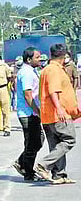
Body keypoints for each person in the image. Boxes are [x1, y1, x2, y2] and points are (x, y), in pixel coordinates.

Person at [35, 44, 78, 184]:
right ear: (63, 56)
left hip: (48, 115)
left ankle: (59, 175)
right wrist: (59, 108)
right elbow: (54, 90)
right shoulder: (54, 70)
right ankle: (44, 164)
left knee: (56, 145)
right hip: (58, 114)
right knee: (69, 139)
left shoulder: (48, 69)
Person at [12, 47, 45, 182]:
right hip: (28, 113)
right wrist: (37, 111)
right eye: (37, 57)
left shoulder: (31, 71)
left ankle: (21, 162)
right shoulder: (26, 73)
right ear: (29, 59)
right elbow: (27, 94)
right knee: (32, 143)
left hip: (31, 112)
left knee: (38, 140)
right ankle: (28, 173)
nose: (40, 59)